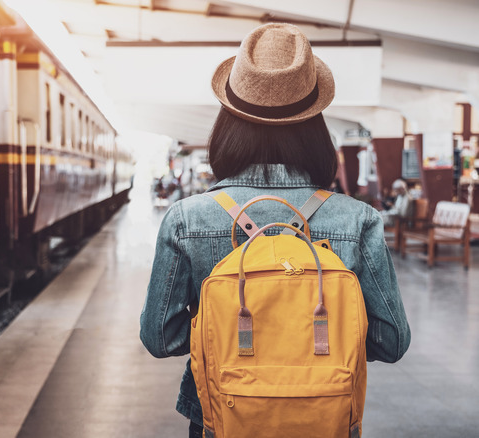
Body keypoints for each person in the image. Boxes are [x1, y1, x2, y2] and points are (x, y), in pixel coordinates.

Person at [139, 23, 411, 438]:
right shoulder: (358, 220)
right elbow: (390, 341)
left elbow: (160, 337)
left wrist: (224, 339)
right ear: (315, 125)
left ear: (227, 123)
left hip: (222, 418)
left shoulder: (186, 219)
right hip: (326, 418)